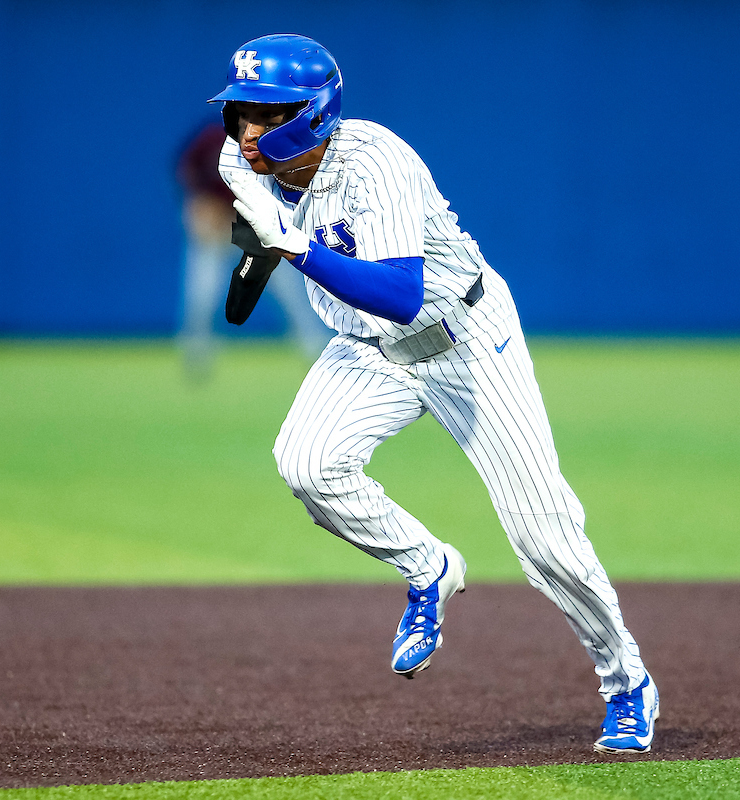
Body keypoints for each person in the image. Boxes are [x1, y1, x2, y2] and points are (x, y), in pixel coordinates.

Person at [208, 34, 658, 753]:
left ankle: (626, 681)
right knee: (308, 463)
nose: (247, 131)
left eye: (267, 115)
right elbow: (265, 232)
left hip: (466, 340)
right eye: (240, 113)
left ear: (314, 114)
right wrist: (265, 247)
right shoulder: (240, 161)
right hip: (366, 348)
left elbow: (398, 293)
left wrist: (292, 246)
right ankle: (429, 567)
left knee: (544, 541)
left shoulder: (376, 161)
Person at [176, 119, 330, 379]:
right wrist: (197, 203)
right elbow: (187, 173)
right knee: (202, 296)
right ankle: (196, 354)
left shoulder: (270, 143)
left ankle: (314, 350)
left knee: (290, 294)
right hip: (216, 232)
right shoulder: (211, 140)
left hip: (256, 232)